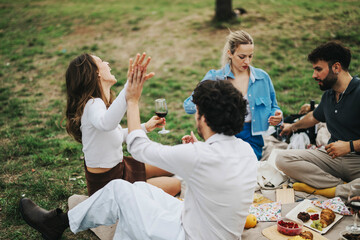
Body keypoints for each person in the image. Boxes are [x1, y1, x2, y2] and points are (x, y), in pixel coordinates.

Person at [19, 76, 258, 239]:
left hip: (189, 234)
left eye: (197, 112)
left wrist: (132, 101)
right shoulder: (245, 151)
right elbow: (217, 173)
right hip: (213, 229)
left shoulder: (200, 155)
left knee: (119, 191)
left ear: (204, 118)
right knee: (141, 191)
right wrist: (197, 149)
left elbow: (138, 147)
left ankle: (56, 224)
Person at [65, 52, 180, 196]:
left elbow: (115, 135)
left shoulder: (101, 106)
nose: (107, 63)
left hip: (123, 168)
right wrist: (129, 86)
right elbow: (107, 124)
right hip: (108, 184)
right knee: (176, 184)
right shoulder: (93, 104)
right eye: (101, 61)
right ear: (96, 73)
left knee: (173, 163)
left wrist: (145, 127)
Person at [276, 41, 360, 200]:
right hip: (332, 158)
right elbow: (314, 117)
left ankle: (329, 190)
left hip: (357, 161)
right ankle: (342, 186)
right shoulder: (329, 95)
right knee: (282, 158)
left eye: (318, 69)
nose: (314, 75)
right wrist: (291, 127)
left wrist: (349, 146)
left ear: (336, 67)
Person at [183, 30, 282, 160]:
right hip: (222, 136)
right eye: (242, 57)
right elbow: (188, 107)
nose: (247, 61)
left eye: (250, 56)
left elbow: (274, 107)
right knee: (221, 164)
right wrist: (209, 101)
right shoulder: (215, 77)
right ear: (230, 53)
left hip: (251, 138)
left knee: (242, 163)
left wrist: (277, 116)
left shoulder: (262, 77)